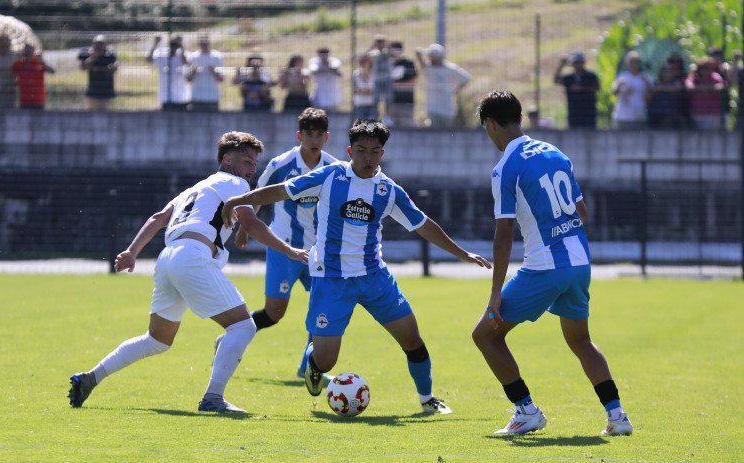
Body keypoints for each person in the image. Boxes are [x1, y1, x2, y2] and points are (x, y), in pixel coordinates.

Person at [220, 118, 492, 414]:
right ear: (350, 150)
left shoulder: (389, 191)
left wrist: (463, 254)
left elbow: (425, 225)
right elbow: (280, 191)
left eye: (374, 152)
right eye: (361, 151)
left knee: (412, 339)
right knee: (326, 362)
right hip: (331, 279)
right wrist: (238, 201)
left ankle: (427, 399)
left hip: (375, 278)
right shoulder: (329, 177)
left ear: (382, 154)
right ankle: (313, 365)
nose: (368, 158)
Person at [67, 131, 308, 413]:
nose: (252, 168)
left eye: (255, 162)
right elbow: (252, 223)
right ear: (226, 158)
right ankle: (213, 399)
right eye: (246, 160)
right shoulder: (234, 182)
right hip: (192, 258)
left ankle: (91, 377)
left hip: (168, 258)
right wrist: (291, 251)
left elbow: (158, 218)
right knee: (243, 326)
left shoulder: (194, 189)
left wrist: (132, 251)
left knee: (156, 340)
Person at [471, 89, 633, 436]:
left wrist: (495, 293)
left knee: (485, 335)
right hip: (579, 262)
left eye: (486, 128)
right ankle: (617, 417)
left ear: (492, 124)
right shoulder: (556, 152)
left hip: (545, 266)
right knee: (581, 341)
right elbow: (582, 212)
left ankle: (526, 411)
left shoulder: (506, 167)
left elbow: (503, 237)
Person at [216, 108, 338, 379]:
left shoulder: (333, 168)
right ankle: (230, 338)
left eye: (319, 135)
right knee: (274, 314)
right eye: (309, 134)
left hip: (318, 252)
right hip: (283, 248)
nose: (314, 140)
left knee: (323, 308)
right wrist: (245, 229)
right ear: (299, 135)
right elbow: (257, 196)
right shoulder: (281, 165)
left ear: (327, 137)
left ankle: (310, 366)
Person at [415, 43, 471, 128]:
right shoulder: (429, 68)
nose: (429, 57)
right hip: (432, 108)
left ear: (438, 56)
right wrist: (419, 56)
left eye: (431, 55)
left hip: (447, 109)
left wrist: (455, 89)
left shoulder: (451, 68)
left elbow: (466, 78)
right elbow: (422, 65)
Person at [553, 51, 600, 129]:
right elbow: (556, 80)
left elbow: (597, 88)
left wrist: (582, 88)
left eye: (580, 62)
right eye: (576, 63)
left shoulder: (591, 75)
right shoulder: (569, 77)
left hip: (589, 112)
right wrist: (561, 66)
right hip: (574, 113)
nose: (578, 65)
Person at [147, 35, 190, 111]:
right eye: (172, 44)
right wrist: (155, 44)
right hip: (166, 96)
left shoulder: (182, 54)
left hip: (181, 97)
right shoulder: (162, 54)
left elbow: (186, 62)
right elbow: (149, 60)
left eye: (176, 45)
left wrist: (182, 45)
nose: (174, 47)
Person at [611, 51, 652, 129]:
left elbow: (652, 94)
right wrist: (619, 85)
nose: (634, 64)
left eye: (636, 62)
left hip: (639, 115)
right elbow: (614, 92)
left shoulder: (645, 78)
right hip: (622, 116)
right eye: (631, 62)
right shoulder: (622, 76)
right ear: (627, 63)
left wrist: (647, 84)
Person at [77, 35, 118, 111]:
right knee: (90, 114)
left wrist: (96, 69)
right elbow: (83, 66)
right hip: (92, 90)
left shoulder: (110, 55)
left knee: (103, 113)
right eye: (97, 43)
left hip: (106, 91)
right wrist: (95, 56)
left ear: (106, 45)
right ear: (93, 45)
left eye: (101, 43)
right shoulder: (88, 54)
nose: (99, 46)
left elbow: (114, 67)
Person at [685, 56, 726, 130]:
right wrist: (709, 88)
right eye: (704, 67)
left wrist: (698, 88)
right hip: (697, 113)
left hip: (713, 114)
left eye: (709, 67)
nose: (706, 70)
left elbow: (720, 87)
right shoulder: (694, 77)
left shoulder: (716, 77)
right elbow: (689, 87)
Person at [186, 31, 224, 112]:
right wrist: (193, 70)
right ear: (198, 42)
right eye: (201, 40)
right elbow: (188, 79)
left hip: (212, 98)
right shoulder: (192, 57)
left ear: (209, 41)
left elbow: (221, 79)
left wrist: (214, 71)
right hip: (197, 97)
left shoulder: (217, 56)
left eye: (205, 40)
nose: (203, 43)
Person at [13, 43, 55, 110]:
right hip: (25, 101)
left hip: (38, 101)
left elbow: (52, 71)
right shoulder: (19, 64)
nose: (28, 52)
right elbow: (11, 74)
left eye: (30, 50)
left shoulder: (39, 63)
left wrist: (43, 63)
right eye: (26, 50)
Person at [648, 63, 688, 129]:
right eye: (665, 71)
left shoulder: (676, 82)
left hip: (673, 113)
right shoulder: (657, 82)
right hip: (658, 114)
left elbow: (676, 89)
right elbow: (652, 92)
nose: (667, 73)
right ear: (661, 73)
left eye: (669, 71)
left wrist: (661, 88)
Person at [390, 41, 418, 128]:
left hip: (407, 102)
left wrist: (395, 85)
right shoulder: (388, 64)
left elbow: (412, 82)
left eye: (396, 49)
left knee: (407, 128)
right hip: (392, 102)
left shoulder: (408, 63)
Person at [367, 35, 393, 122]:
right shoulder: (374, 53)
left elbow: (391, 54)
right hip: (377, 79)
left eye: (381, 42)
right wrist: (372, 46)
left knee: (388, 99)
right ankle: (375, 116)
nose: (380, 44)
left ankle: (387, 117)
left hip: (387, 79)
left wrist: (387, 46)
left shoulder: (388, 51)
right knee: (375, 99)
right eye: (378, 42)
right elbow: (366, 56)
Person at [308, 47, 342, 113]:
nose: (323, 58)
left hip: (333, 95)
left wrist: (329, 65)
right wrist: (323, 67)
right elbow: (313, 69)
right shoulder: (314, 61)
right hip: (319, 95)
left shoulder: (334, 61)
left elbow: (335, 67)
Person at [353, 54, 376, 119]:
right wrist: (368, 91)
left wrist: (363, 91)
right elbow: (355, 90)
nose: (362, 65)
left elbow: (375, 91)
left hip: (372, 105)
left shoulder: (374, 74)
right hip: (359, 105)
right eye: (360, 62)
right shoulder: (355, 74)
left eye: (364, 62)